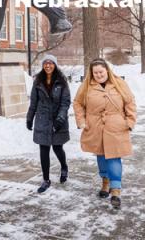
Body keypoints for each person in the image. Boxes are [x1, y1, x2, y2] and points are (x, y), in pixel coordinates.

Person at [73, 58, 136, 209]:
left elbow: (130, 102)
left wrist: (130, 121)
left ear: (107, 70)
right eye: (95, 73)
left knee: (114, 157)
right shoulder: (87, 86)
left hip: (116, 126)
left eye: (101, 71)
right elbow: (77, 103)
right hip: (95, 127)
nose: (98, 75)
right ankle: (105, 182)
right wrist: (82, 121)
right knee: (101, 156)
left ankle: (116, 190)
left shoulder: (119, 83)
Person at [26, 54, 71, 193]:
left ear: (55, 65)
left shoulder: (62, 81)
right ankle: (46, 180)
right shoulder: (38, 81)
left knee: (58, 148)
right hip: (42, 120)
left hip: (58, 120)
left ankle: (64, 167)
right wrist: (29, 118)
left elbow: (65, 103)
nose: (48, 65)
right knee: (44, 150)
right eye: (46, 63)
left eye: (51, 63)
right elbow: (33, 102)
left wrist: (60, 120)